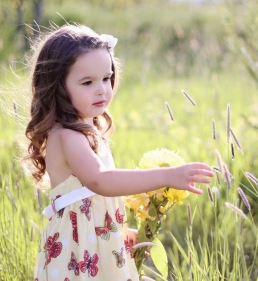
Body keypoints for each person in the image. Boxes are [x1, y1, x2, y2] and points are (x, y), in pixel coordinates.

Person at [24, 24, 214, 281]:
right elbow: (101, 181)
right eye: (88, 82)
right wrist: (167, 176)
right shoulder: (66, 136)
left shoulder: (86, 129)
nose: (102, 88)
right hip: (77, 252)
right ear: (58, 87)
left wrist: (119, 233)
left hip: (97, 244)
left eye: (106, 77)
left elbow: (92, 200)